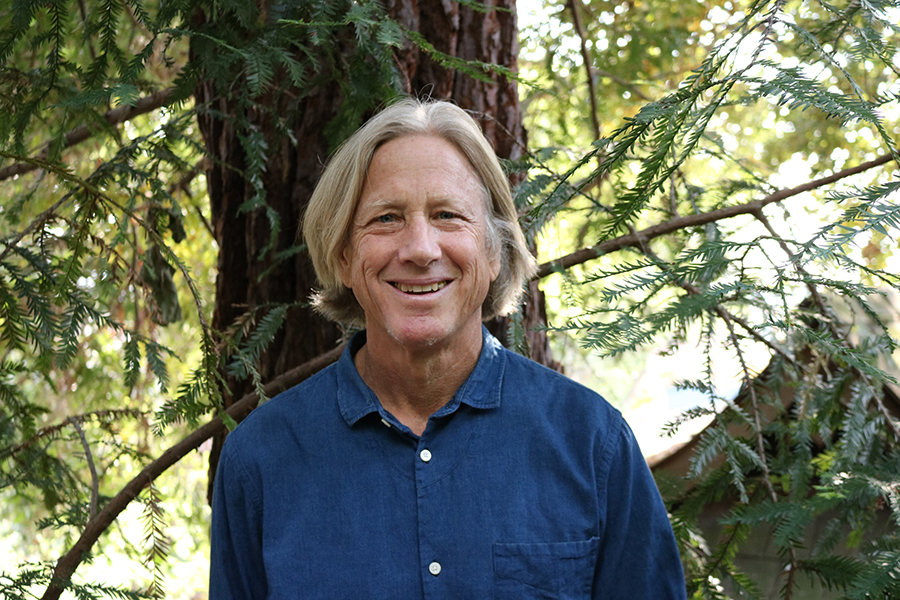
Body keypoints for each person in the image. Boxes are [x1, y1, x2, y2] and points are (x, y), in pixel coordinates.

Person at [209, 99, 687, 599]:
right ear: (345, 256)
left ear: (494, 251)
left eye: (448, 215)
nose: (420, 248)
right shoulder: (261, 460)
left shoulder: (592, 444)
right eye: (387, 218)